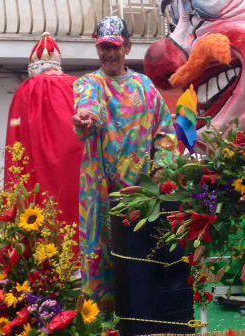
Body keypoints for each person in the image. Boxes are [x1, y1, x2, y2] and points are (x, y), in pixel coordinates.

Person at [73, 15, 178, 307]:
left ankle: (143, 311)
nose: (108, 53)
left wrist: (161, 172)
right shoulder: (89, 84)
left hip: (142, 193)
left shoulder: (145, 87)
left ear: (127, 47)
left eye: (114, 46)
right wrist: (85, 120)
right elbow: (87, 111)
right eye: (103, 46)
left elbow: (165, 132)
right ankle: (103, 317)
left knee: (142, 254)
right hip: (100, 190)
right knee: (100, 251)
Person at [4, 32, 82, 231]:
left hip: (34, 171)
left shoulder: (24, 92)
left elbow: (16, 144)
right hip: (75, 171)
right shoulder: (76, 86)